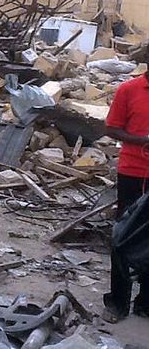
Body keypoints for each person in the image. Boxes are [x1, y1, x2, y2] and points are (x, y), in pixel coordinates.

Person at [102, 62, 149, 322]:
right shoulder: (129, 90)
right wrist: (142, 140)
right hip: (133, 172)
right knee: (123, 237)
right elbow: (111, 128)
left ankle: (145, 302)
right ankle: (118, 302)